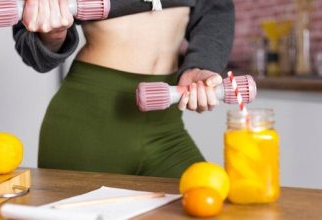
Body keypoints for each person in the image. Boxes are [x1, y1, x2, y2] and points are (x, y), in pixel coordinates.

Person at [13, 0, 235, 178]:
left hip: (165, 125)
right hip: (91, 122)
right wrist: (51, 33)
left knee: (207, 205)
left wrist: (202, 65)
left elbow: (215, 10)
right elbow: (35, 51)